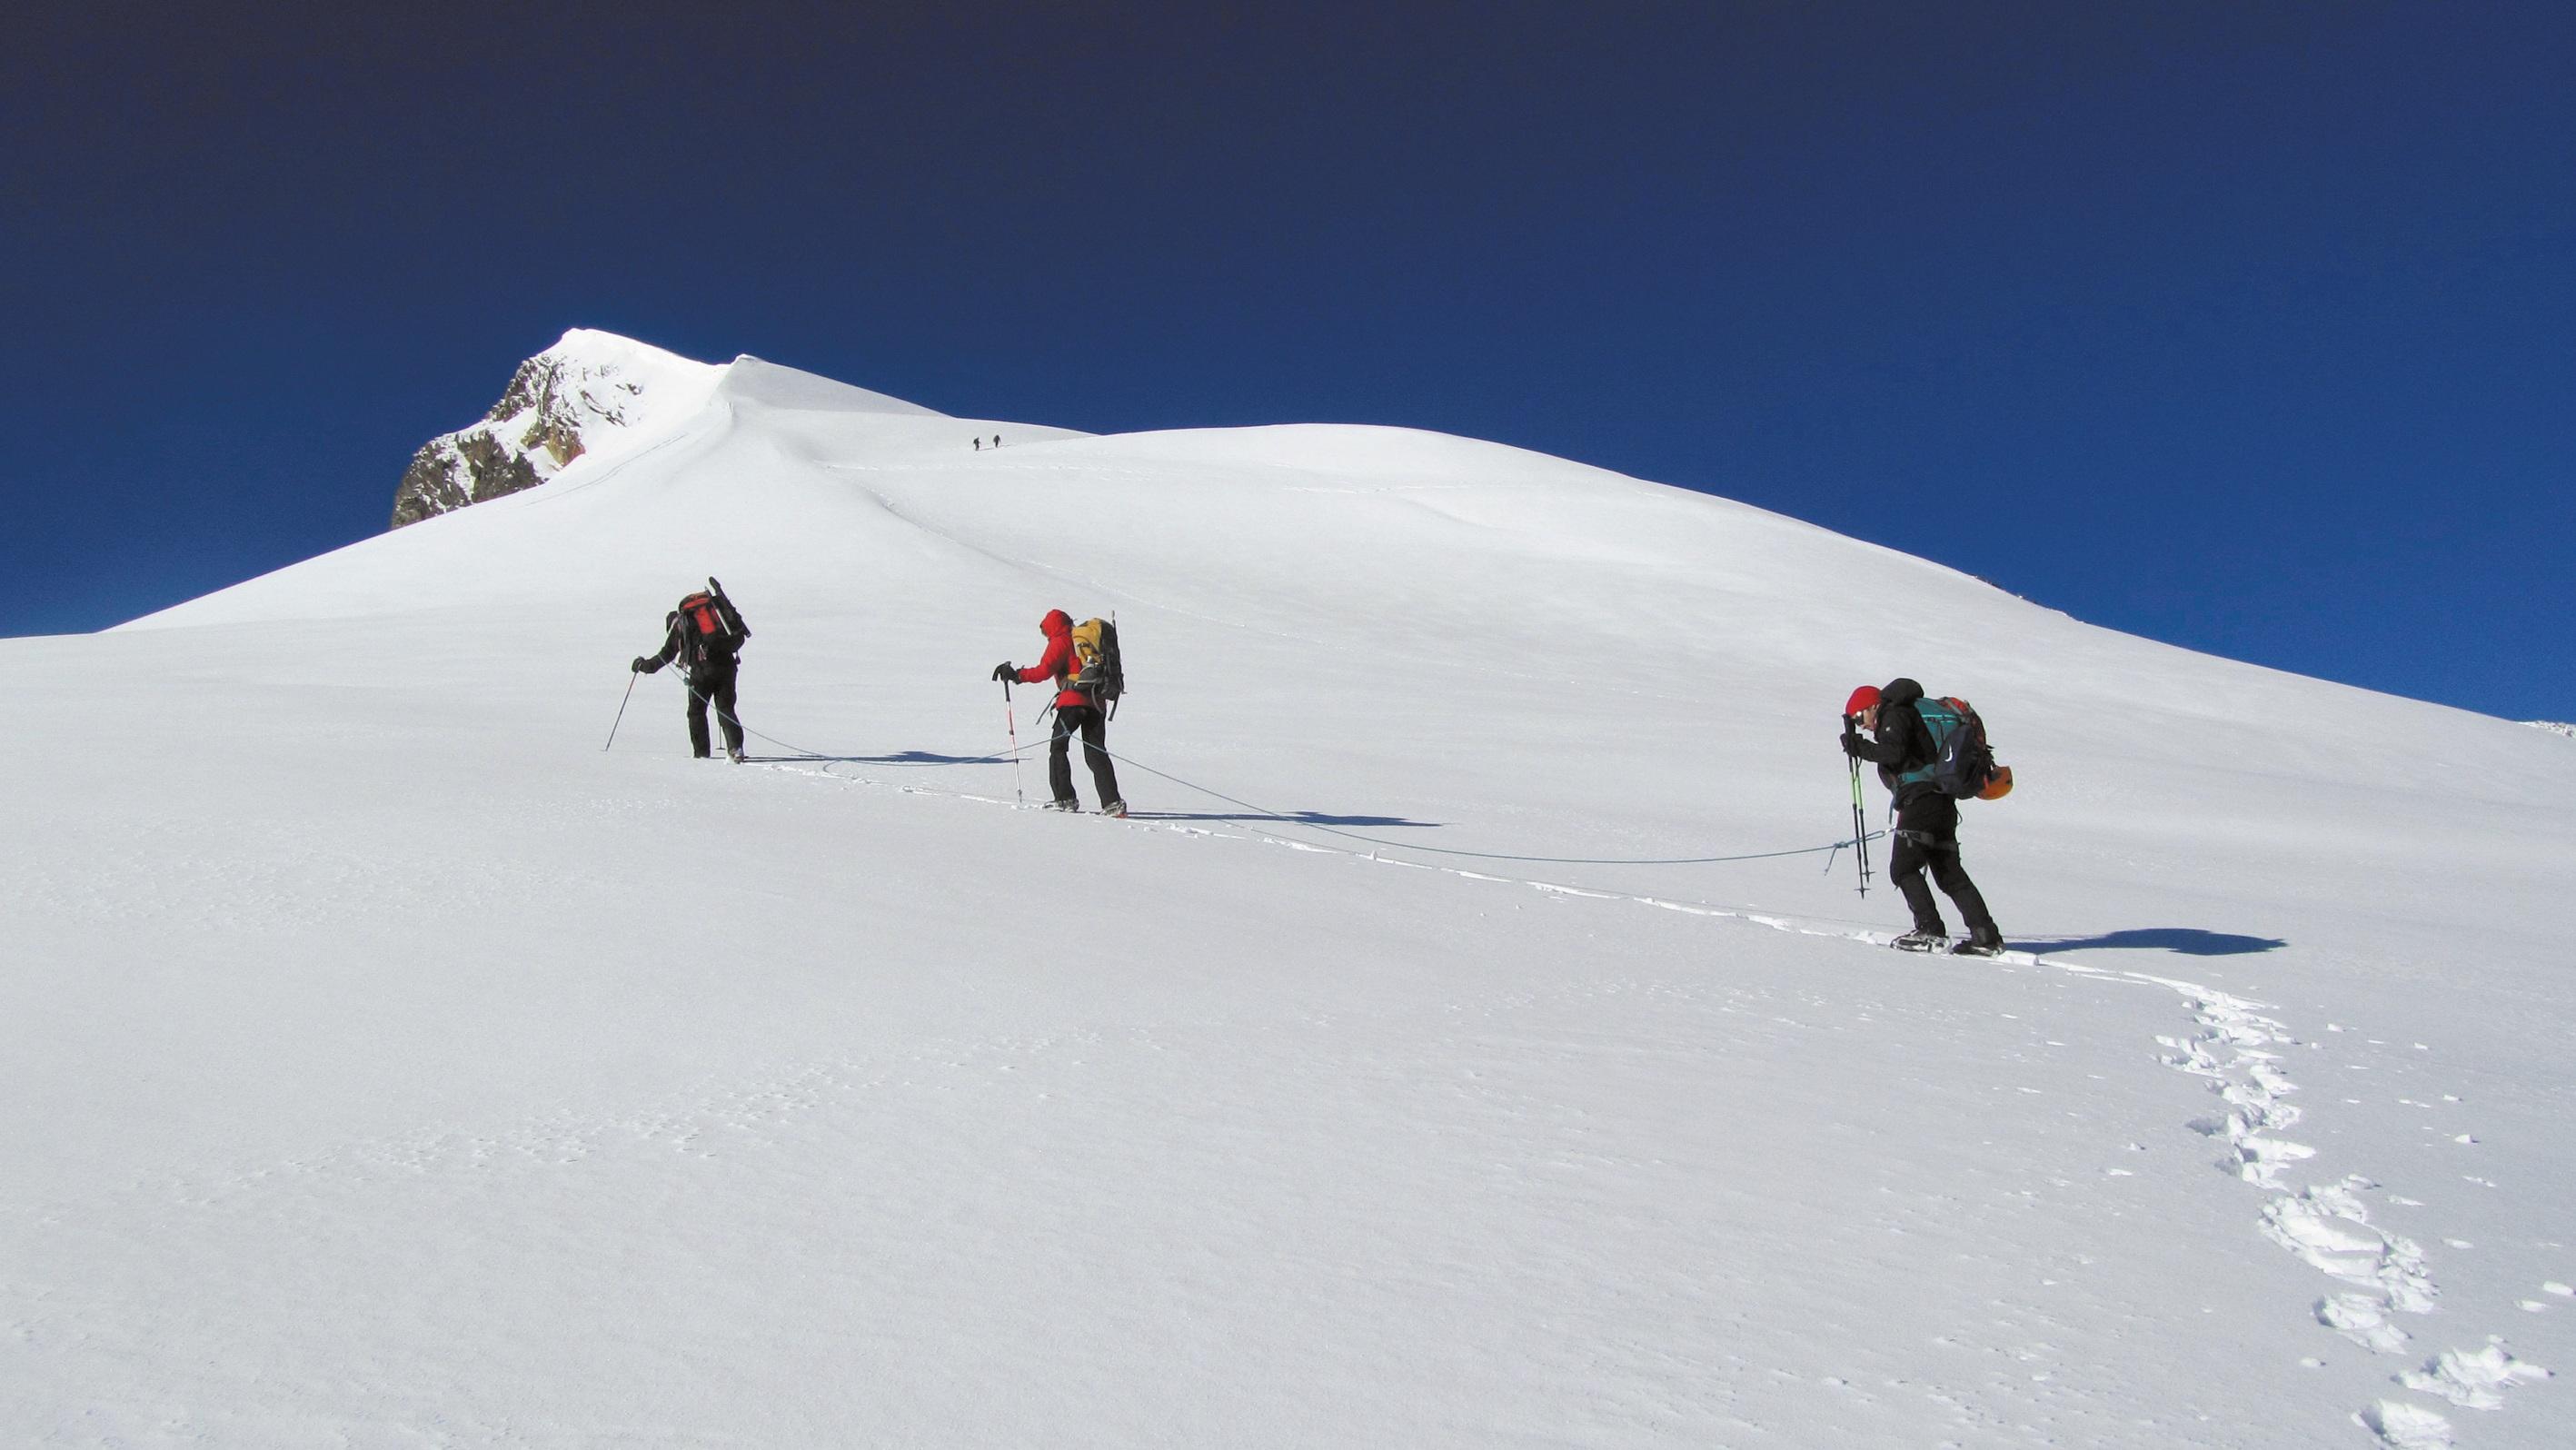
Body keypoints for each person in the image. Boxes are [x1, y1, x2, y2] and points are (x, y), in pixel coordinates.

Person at [1841, 678, 2003, 955]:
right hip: (1942, 801)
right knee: (1950, 876)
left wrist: (1860, 748)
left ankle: (1930, 931)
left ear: (1873, 706)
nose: (1863, 725)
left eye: (1860, 717)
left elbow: (1893, 752)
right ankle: (1986, 938)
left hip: (1921, 802)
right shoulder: (1907, 712)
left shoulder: (1895, 714)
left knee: (1903, 868)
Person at [993, 609, 1124, 815]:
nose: (1046, 637)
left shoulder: (1060, 640)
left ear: (1050, 627)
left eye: (1045, 632)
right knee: (1095, 751)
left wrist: (1016, 675)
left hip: (1073, 702)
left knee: (1058, 747)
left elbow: (1043, 671)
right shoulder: (1082, 640)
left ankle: (1064, 798)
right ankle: (1113, 803)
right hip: (1097, 702)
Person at [632, 584, 750, 761]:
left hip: (702, 672)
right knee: (726, 708)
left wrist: (643, 666)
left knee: (696, 711)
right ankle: (736, 748)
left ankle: (701, 754)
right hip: (727, 666)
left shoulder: (681, 624)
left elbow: (666, 655)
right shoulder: (714, 617)